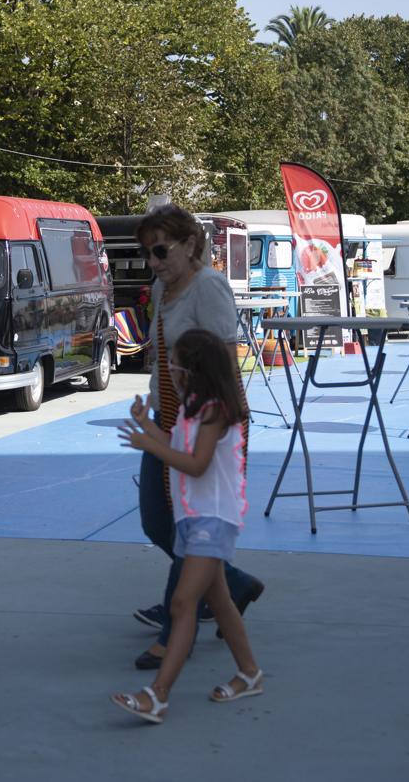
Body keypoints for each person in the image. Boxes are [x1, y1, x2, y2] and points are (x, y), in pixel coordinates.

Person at [131, 205, 263, 671]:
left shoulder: (208, 286)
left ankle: (173, 633)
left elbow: (225, 361)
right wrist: (150, 406)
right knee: (156, 522)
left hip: (203, 423)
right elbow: (162, 361)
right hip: (167, 418)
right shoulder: (160, 289)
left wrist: (217, 430)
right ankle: (231, 584)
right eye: (148, 253)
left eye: (161, 250)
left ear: (190, 244)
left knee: (187, 530)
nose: (154, 261)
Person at [111, 329, 263, 724]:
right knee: (222, 602)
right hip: (194, 519)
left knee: (182, 605)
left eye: (174, 364)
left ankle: (157, 695)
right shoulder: (191, 409)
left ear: (191, 370)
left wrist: (151, 446)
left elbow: (196, 463)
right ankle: (249, 673)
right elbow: (176, 446)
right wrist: (148, 427)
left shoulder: (214, 412)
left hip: (213, 520)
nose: (170, 370)